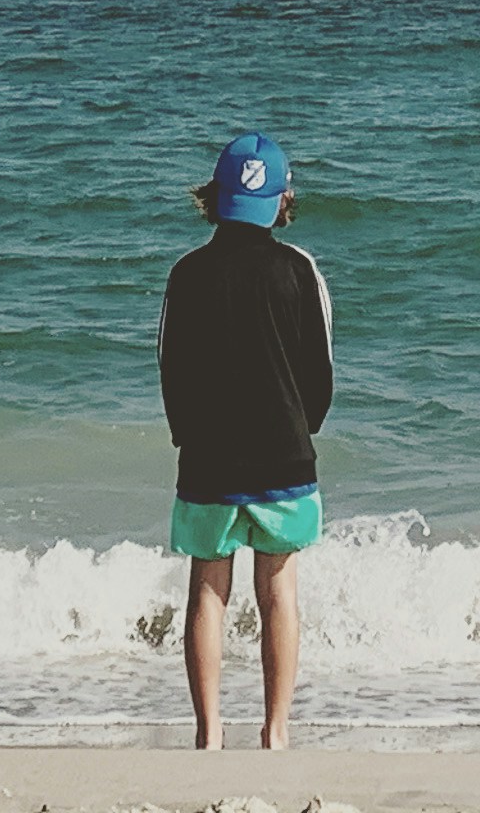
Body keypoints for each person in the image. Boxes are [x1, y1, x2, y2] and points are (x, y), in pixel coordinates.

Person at [157, 128, 333, 749]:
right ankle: (276, 731)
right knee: (278, 589)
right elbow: (320, 376)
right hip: (284, 453)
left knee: (208, 588)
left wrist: (187, 438)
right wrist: (299, 428)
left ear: (216, 197)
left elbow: (170, 370)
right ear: (282, 199)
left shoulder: (187, 273)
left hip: (207, 457)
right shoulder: (300, 270)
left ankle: (209, 734)